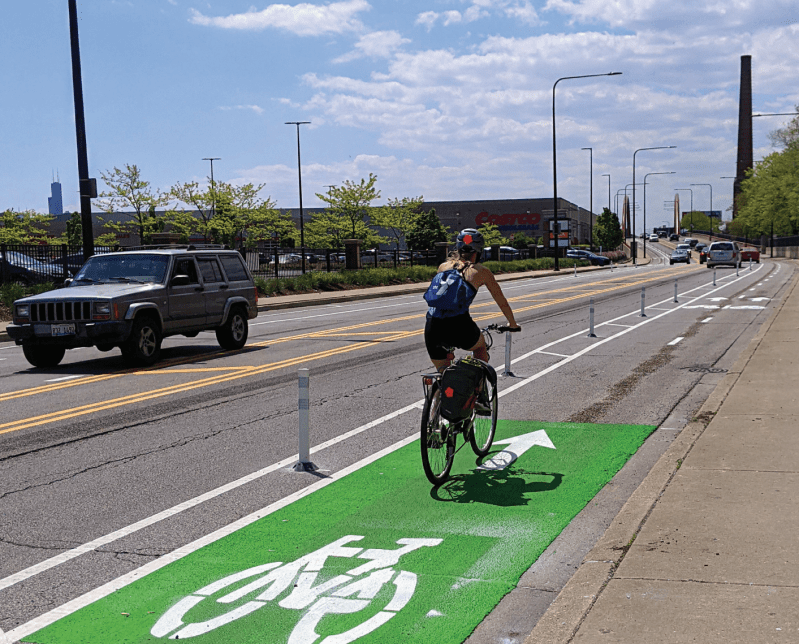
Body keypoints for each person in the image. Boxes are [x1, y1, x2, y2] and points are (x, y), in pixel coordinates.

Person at [424, 228, 520, 372]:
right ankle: (478, 388)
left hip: (433, 325)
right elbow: (501, 301)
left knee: (443, 374)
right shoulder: (481, 271)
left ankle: (438, 392)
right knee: (480, 347)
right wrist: (512, 323)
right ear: (479, 250)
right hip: (460, 325)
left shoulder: (443, 267)